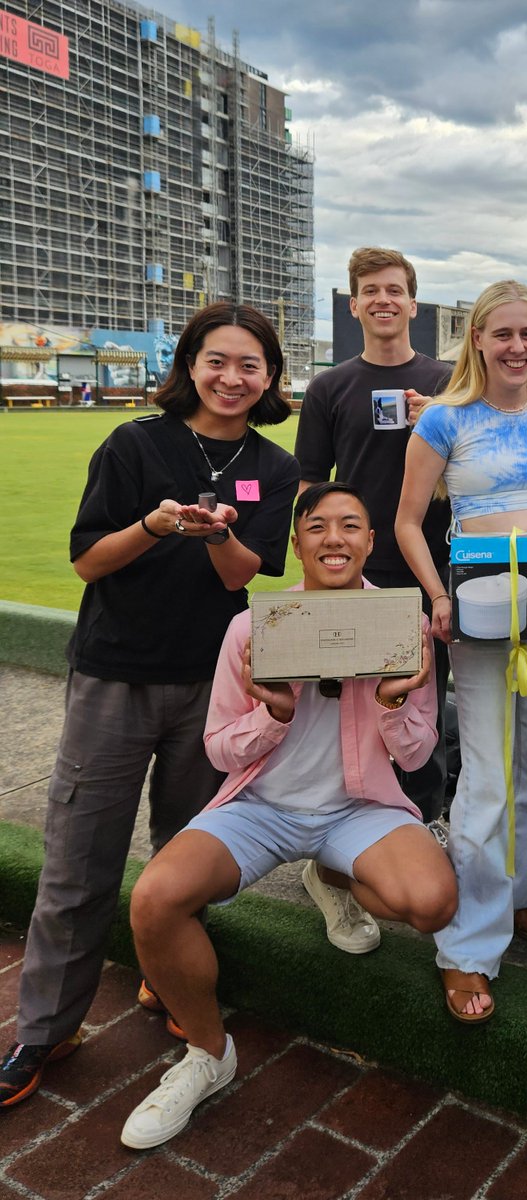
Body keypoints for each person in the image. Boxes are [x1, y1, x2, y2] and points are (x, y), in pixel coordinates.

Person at [0, 302, 298, 1108]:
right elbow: (90, 563)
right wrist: (154, 523)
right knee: (77, 858)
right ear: (189, 364)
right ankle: (44, 1027)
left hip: (212, 687)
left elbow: (243, 575)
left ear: (269, 376)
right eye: (218, 361)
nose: (233, 378)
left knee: (186, 855)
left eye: (251, 365)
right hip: (115, 674)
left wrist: (212, 533)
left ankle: (166, 984)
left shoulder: (272, 467)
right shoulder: (136, 443)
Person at [119, 482, 457, 1150]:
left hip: (358, 808)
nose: (335, 538)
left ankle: (332, 877)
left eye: (352, 525)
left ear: (370, 541)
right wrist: (274, 712)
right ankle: (208, 1055)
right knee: (155, 899)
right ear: (297, 541)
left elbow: (418, 753)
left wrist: (392, 703)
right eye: (319, 526)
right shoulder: (250, 627)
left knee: (432, 902)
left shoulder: (403, 625)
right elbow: (218, 748)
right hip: (260, 806)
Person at [396, 280, 527, 1023]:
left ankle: (513, 903)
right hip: (475, 598)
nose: (516, 347)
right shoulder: (445, 420)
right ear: (476, 339)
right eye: (502, 333)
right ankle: (467, 949)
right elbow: (409, 520)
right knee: (485, 772)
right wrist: (438, 597)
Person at [294, 247, 453, 952]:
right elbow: (308, 487)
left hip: (433, 572)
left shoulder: (447, 380)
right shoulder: (331, 386)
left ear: (414, 304)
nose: (384, 300)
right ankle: (328, 863)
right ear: (354, 305)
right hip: (356, 576)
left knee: (418, 708)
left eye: (395, 290)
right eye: (370, 292)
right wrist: (316, 574)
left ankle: (413, 829)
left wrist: (439, 419)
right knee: (344, 715)